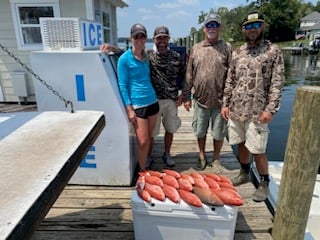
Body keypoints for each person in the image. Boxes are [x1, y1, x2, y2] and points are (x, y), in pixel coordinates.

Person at [221, 11, 285, 202]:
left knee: (258, 149)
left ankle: (264, 182)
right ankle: (244, 172)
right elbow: (230, 79)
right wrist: (225, 103)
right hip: (237, 109)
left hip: (258, 112)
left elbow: (277, 82)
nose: (252, 29)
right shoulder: (238, 52)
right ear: (243, 29)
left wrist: (270, 109)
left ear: (262, 26)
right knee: (241, 143)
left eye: (256, 25)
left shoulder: (273, 51)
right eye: (249, 26)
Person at [101, 26, 186, 168]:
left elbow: (184, 75)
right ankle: (145, 164)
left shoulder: (161, 57)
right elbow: (124, 76)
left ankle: (164, 154)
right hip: (146, 102)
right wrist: (113, 48)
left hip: (163, 100)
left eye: (165, 37)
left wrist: (184, 95)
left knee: (164, 132)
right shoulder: (146, 56)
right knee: (146, 139)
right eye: (136, 37)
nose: (162, 41)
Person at [182, 12, 232, 172]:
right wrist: (186, 96)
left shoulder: (227, 47)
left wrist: (229, 101)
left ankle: (216, 158)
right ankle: (202, 155)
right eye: (209, 25)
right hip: (200, 100)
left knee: (219, 133)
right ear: (204, 28)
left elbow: (232, 74)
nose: (212, 28)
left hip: (220, 101)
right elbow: (189, 73)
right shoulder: (196, 48)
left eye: (215, 25)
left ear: (220, 28)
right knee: (200, 130)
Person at [116, 23, 159, 171]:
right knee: (142, 141)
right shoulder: (124, 59)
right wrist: (129, 109)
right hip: (138, 105)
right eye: (136, 36)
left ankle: (145, 161)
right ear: (131, 38)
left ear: (146, 38)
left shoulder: (146, 56)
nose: (139, 39)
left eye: (142, 36)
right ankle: (142, 172)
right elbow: (122, 85)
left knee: (149, 138)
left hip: (152, 101)